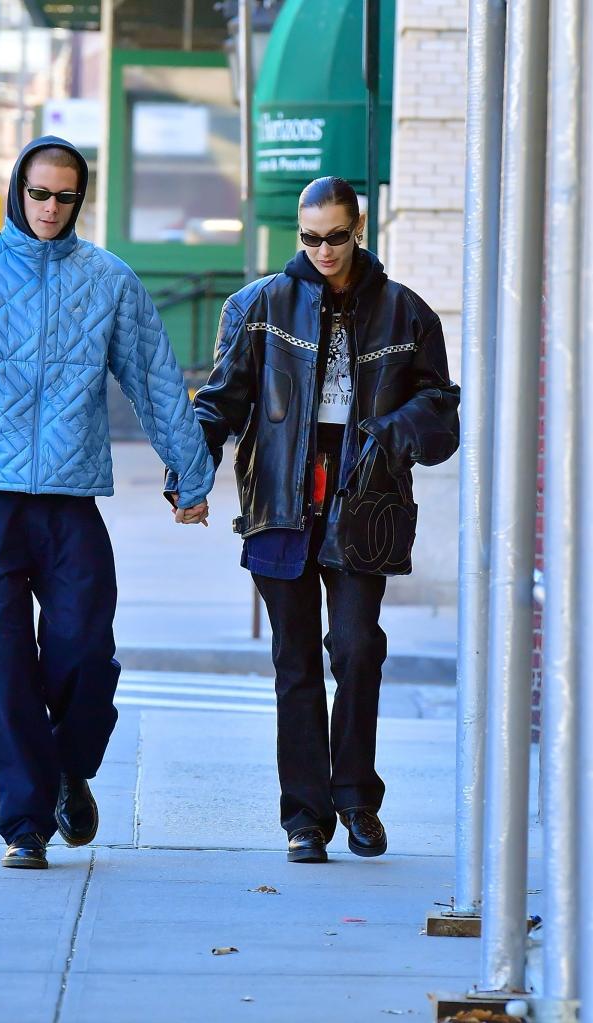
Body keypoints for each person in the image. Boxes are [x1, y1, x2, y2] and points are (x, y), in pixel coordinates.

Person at [0, 136, 213, 870]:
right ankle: (25, 825)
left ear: (80, 199)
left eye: (63, 196)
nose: (48, 207)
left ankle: (72, 765)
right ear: (18, 191)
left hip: (72, 501)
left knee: (82, 647)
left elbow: (157, 379)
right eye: (38, 193)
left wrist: (189, 474)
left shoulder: (108, 279)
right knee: (7, 665)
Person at [184, 176, 460, 864]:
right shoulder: (258, 306)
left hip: (363, 503)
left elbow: (442, 411)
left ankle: (355, 796)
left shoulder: (405, 312)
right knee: (295, 662)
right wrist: (187, 472)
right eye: (310, 238)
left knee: (357, 647)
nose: (323, 250)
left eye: (335, 236)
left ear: (356, 228)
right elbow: (220, 402)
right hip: (281, 502)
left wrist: (393, 430)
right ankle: (304, 818)